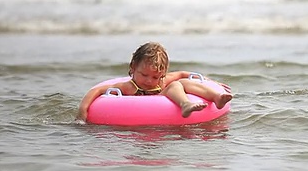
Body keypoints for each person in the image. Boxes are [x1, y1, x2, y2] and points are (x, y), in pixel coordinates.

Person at [76, 42, 232, 122]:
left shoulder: (163, 82)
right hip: (139, 113)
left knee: (180, 82)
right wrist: (82, 111)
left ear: (162, 74)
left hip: (163, 100)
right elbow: (96, 91)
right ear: (133, 67)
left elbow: (184, 73)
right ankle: (185, 104)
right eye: (144, 75)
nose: (150, 81)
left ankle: (216, 97)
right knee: (175, 85)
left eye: (156, 77)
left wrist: (212, 82)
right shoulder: (129, 87)